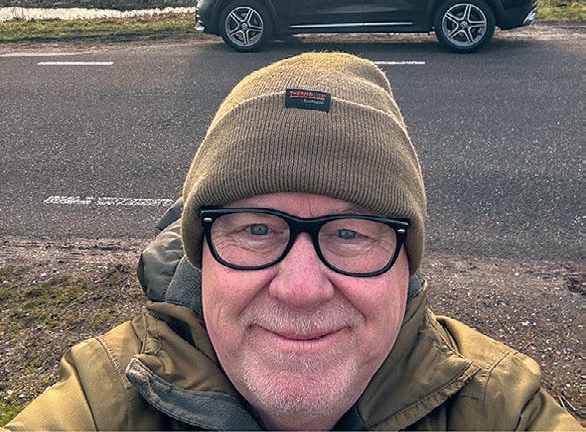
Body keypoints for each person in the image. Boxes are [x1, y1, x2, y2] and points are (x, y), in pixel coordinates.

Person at [5, 52, 580, 431]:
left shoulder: (500, 409)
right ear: (200, 256)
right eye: (256, 229)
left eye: (350, 233)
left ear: (406, 263)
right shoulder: (101, 406)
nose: (301, 290)